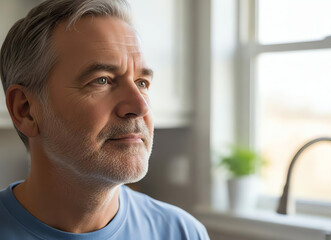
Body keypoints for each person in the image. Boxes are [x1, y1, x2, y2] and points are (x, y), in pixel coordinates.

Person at [0, 0, 209, 239]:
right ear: (25, 109)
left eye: (142, 83)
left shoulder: (182, 232)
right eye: (102, 80)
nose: (140, 106)